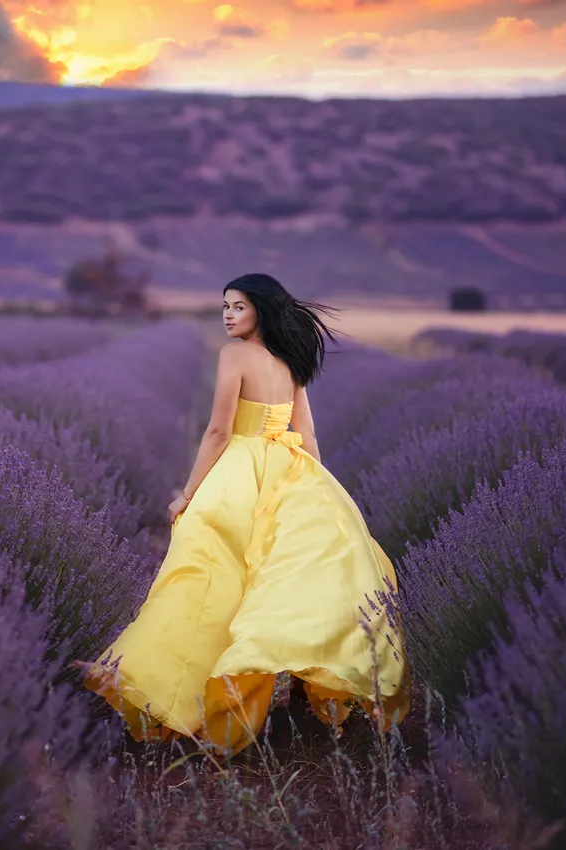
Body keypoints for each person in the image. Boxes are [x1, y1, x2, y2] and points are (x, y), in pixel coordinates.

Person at [79, 273, 410, 756]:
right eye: (225, 307)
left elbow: (217, 432)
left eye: (237, 307)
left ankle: (188, 696)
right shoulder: (289, 359)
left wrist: (187, 494)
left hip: (240, 472)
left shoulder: (234, 357)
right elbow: (308, 433)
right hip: (291, 469)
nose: (228, 315)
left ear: (260, 311)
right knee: (290, 583)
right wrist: (314, 487)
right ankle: (307, 696)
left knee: (213, 579)